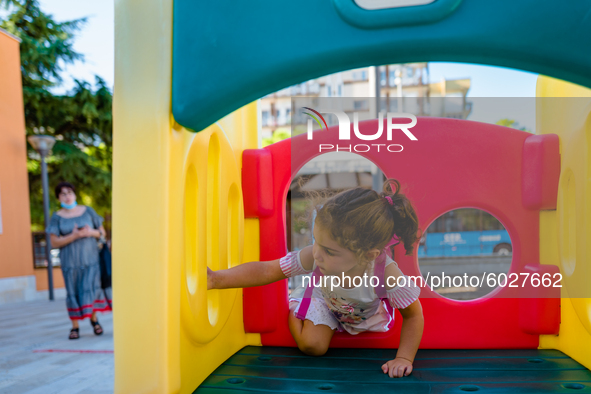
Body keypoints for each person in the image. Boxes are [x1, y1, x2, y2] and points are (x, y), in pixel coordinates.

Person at [208, 179, 424, 378]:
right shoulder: (315, 254)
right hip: (324, 300)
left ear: (367, 255)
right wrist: (216, 279)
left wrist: (404, 357)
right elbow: (267, 270)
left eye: (329, 251)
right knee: (313, 346)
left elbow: (413, 316)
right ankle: (295, 310)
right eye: (316, 241)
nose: (317, 253)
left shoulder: (385, 273)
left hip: (363, 312)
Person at [47, 181, 112, 339]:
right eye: (63, 194)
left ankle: (94, 321)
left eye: (70, 192)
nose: (67, 196)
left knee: (92, 288)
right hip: (70, 263)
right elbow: (54, 242)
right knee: (73, 291)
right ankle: (74, 327)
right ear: (58, 198)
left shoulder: (88, 211)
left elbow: (102, 233)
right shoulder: (57, 217)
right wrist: (73, 235)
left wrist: (91, 232)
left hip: (91, 260)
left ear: (75, 194)